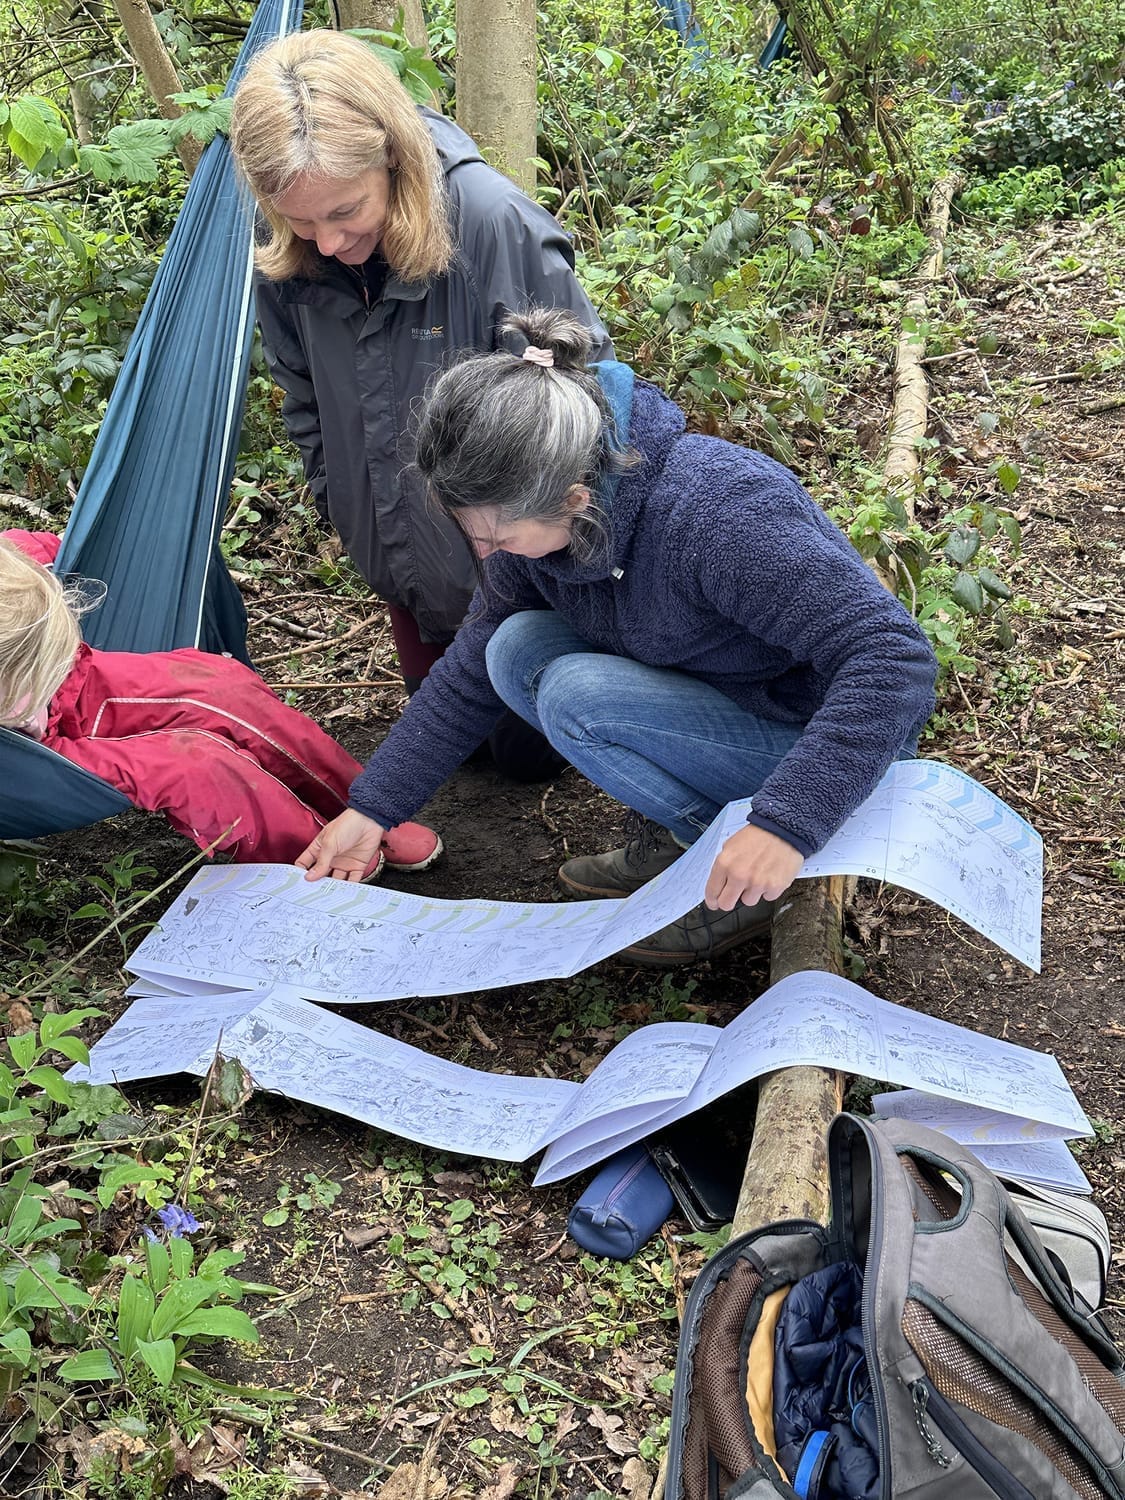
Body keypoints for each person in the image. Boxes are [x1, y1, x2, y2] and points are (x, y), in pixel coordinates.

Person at [293, 308, 939, 967]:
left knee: (578, 694)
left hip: (827, 739)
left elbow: (894, 661)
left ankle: (737, 880)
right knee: (511, 650)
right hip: (726, 692)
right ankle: (693, 834)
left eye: (498, 537)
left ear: (574, 500)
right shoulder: (543, 502)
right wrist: (373, 810)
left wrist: (785, 822)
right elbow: (467, 670)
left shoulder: (720, 516)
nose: (487, 553)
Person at [228, 29, 613, 784]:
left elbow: (581, 400)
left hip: (509, 568)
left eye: (345, 211)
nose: (328, 241)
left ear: (393, 159)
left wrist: (522, 543)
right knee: (455, 757)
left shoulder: (493, 223)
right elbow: (301, 394)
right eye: (302, 221)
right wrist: (340, 500)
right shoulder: (290, 253)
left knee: (528, 764)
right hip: (399, 556)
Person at [0, 531, 439, 877]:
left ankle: (363, 813)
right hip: (37, 759)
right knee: (195, 764)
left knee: (223, 687)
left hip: (72, 678)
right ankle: (307, 855)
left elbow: (44, 546)